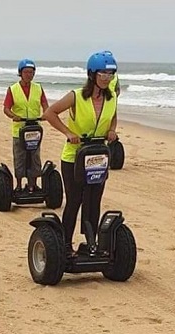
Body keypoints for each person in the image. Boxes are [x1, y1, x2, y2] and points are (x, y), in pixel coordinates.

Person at [42, 51, 118, 252]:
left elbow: (113, 117)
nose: (106, 78)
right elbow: (50, 113)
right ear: (92, 74)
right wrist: (68, 132)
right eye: (102, 73)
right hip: (74, 157)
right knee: (75, 199)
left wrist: (112, 130)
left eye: (110, 74)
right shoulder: (75, 96)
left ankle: (90, 242)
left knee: (94, 200)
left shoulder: (111, 99)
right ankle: (65, 244)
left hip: (98, 156)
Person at [3, 58, 49, 193]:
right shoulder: (13, 89)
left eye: (31, 72)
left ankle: (32, 184)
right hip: (19, 130)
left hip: (34, 129)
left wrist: (46, 113)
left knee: (35, 156)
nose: (29, 74)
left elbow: (45, 104)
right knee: (20, 157)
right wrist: (13, 116)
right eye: (26, 72)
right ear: (20, 73)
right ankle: (18, 185)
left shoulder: (38, 88)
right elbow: (6, 108)